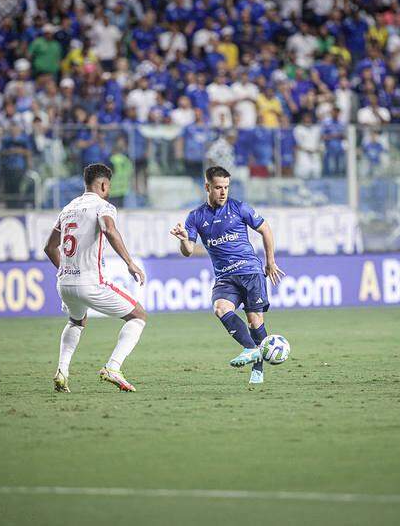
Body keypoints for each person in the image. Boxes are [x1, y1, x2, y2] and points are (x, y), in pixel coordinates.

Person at [170, 166, 285, 385]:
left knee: (254, 321)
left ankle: (257, 371)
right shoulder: (195, 217)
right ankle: (251, 349)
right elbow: (188, 251)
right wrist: (184, 239)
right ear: (207, 187)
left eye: (226, 187)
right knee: (220, 308)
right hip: (225, 277)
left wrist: (270, 262)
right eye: (218, 187)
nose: (223, 192)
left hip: (250, 272)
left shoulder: (239, 208)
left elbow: (265, 229)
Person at [43, 163, 147, 393]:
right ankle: (113, 367)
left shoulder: (68, 208)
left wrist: (66, 272)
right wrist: (130, 263)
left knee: (77, 321)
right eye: (107, 186)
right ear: (103, 184)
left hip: (65, 283)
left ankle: (62, 371)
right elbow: (109, 230)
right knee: (138, 315)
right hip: (91, 282)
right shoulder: (103, 206)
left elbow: (50, 248)